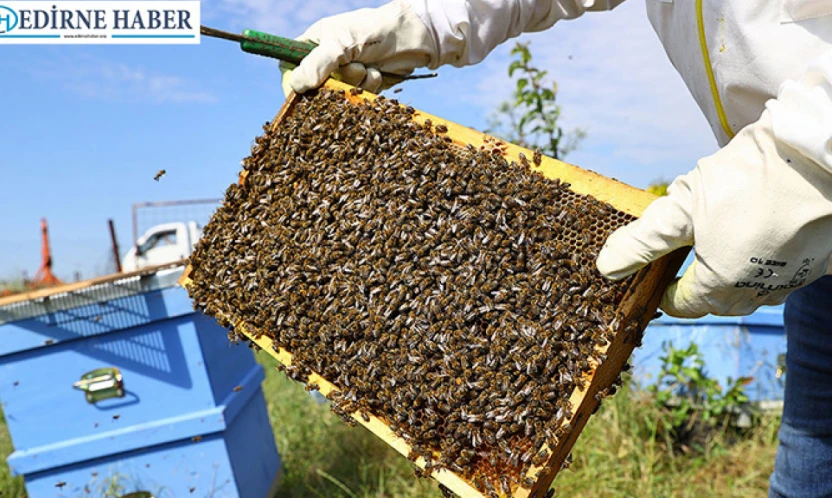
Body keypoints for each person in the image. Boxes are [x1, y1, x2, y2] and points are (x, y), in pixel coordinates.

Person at [279, 2, 832, 496]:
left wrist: (805, 159)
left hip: (811, 178)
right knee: (809, 459)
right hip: (814, 244)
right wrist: (423, 20)